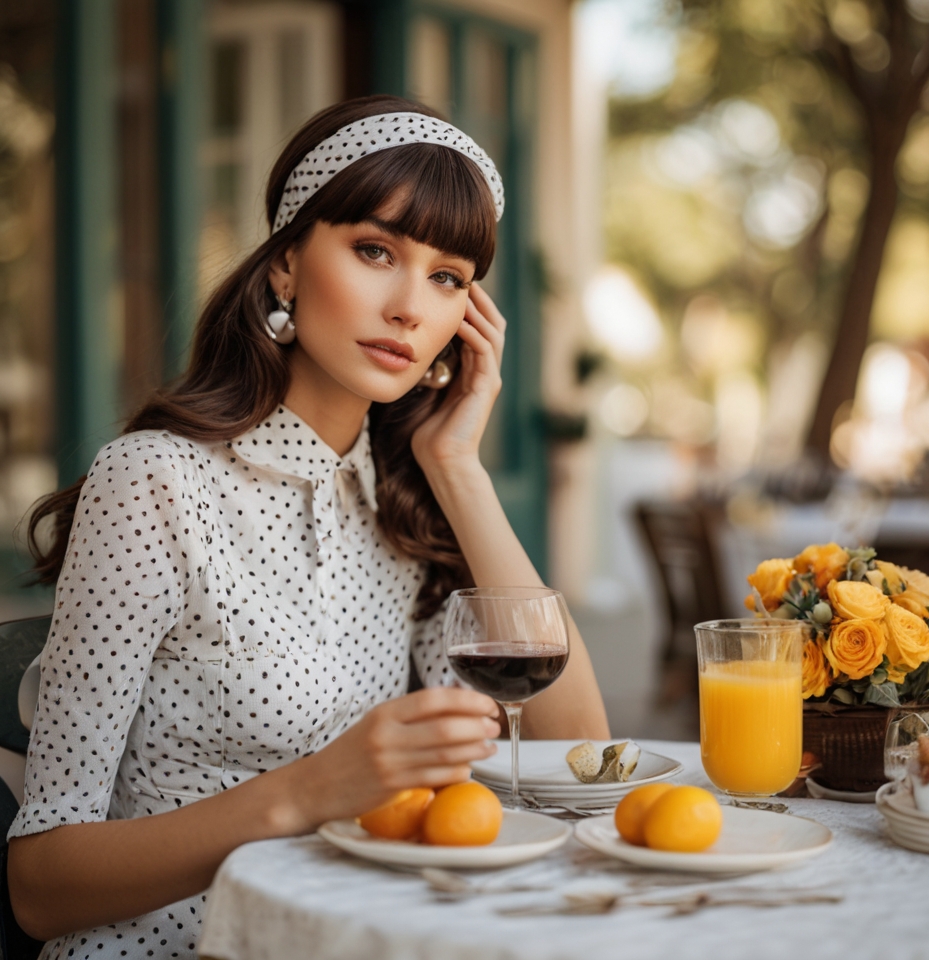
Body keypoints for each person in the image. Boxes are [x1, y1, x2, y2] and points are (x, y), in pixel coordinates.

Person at [8, 95, 609, 959]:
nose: (409, 305)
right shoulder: (154, 483)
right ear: (286, 265)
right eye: (375, 251)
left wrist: (460, 472)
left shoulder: (406, 503)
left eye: (447, 276)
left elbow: (577, 754)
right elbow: (40, 886)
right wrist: (310, 791)